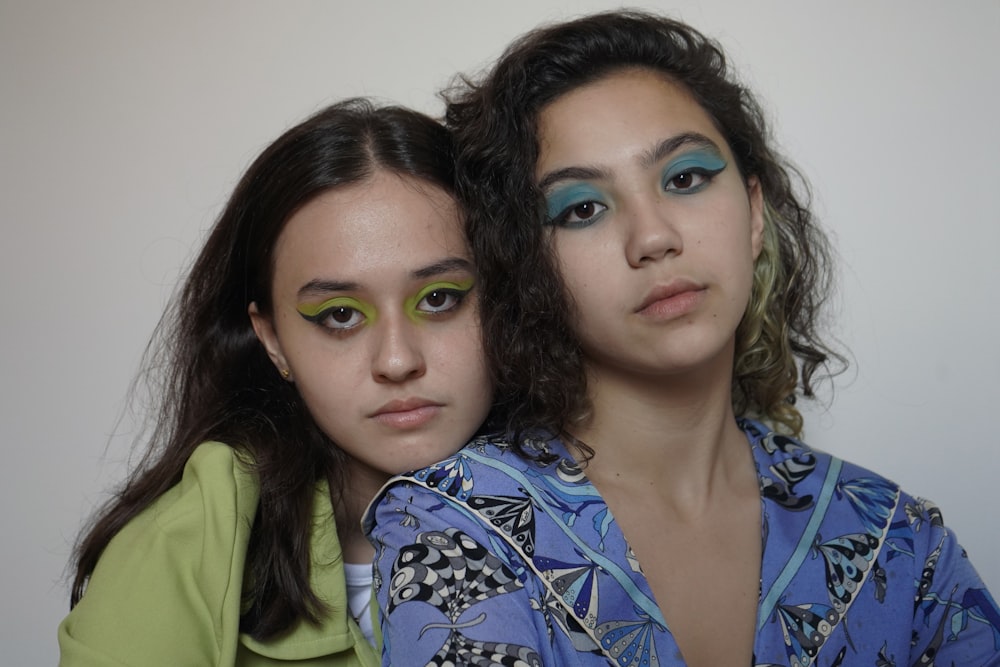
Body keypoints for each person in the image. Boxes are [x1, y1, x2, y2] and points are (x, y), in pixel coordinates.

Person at [365, 11, 1000, 667]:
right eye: (581, 208)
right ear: (529, 264)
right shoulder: (450, 526)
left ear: (754, 212)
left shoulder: (895, 536)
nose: (653, 238)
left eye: (685, 178)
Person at [59, 98, 493, 666]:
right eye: (340, 314)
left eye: (439, 299)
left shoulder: (604, 503)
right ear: (271, 340)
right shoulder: (187, 545)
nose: (396, 360)